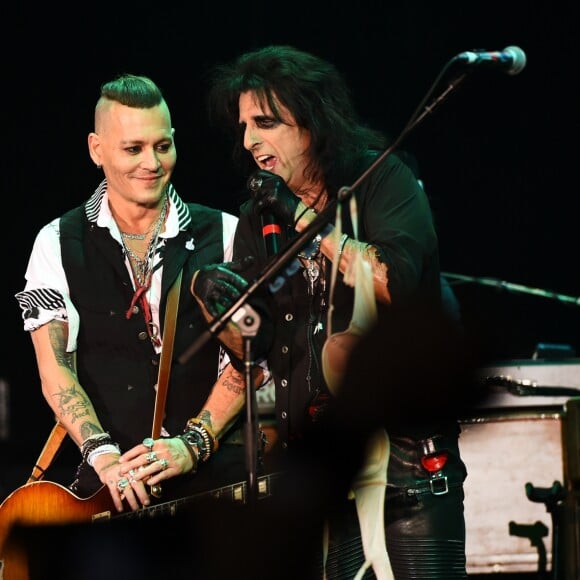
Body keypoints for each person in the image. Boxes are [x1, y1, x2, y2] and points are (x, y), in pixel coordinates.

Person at [191, 45, 474, 579]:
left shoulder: (384, 181)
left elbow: (393, 283)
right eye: (244, 126)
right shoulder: (258, 217)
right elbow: (259, 355)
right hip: (321, 469)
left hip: (406, 467)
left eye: (266, 123)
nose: (250, 141)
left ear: (313, 121)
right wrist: (224, 310)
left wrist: (304, 220)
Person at [13, 73, 263, 517]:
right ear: (96, 150)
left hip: (213, 491)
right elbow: (56, 371)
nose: (151, 162)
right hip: (107, 493)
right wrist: (103, 456)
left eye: (162, 146)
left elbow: (251, 359)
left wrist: (193, 444)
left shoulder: (225, 233)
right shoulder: (57, 241)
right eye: (133, 149)